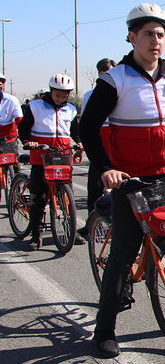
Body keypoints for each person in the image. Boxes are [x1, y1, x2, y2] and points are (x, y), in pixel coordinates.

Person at [79, 2, 165, 358]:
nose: (155, 40)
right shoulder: (114, 79)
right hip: (129, 180)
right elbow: (87, 127)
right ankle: (104, 330)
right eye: (148, 33)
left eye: (161, 34)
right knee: (122, 253)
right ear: (132, 37)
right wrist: (105, 167)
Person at [18, 74, 85, 250]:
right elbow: (23, 128)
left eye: (64, 96)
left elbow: (74, 131)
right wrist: (27, 141)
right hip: (41, 157)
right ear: (51, 91)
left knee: (66, 197)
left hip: (62, 156)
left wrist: (78, 143)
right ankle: (35, 233)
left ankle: (71, 231)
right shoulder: (35, 107)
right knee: (38, 197)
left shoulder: (70, 109)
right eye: (58, 95)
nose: (61, 99)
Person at [77, 58, 116, 236]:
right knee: (95, 184)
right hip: (99, 141)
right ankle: (92, 221)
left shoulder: (121, 92)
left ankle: (119, 222)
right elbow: (86, 123)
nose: (107, 74)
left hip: (117, 141)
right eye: (103, 72)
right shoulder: (89, 95)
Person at [0, 73, 23, 163]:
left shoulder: (11, 100)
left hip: (9, 137)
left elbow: (19, 119)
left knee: (13, 162)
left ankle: (16, 175)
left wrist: (24, 137)